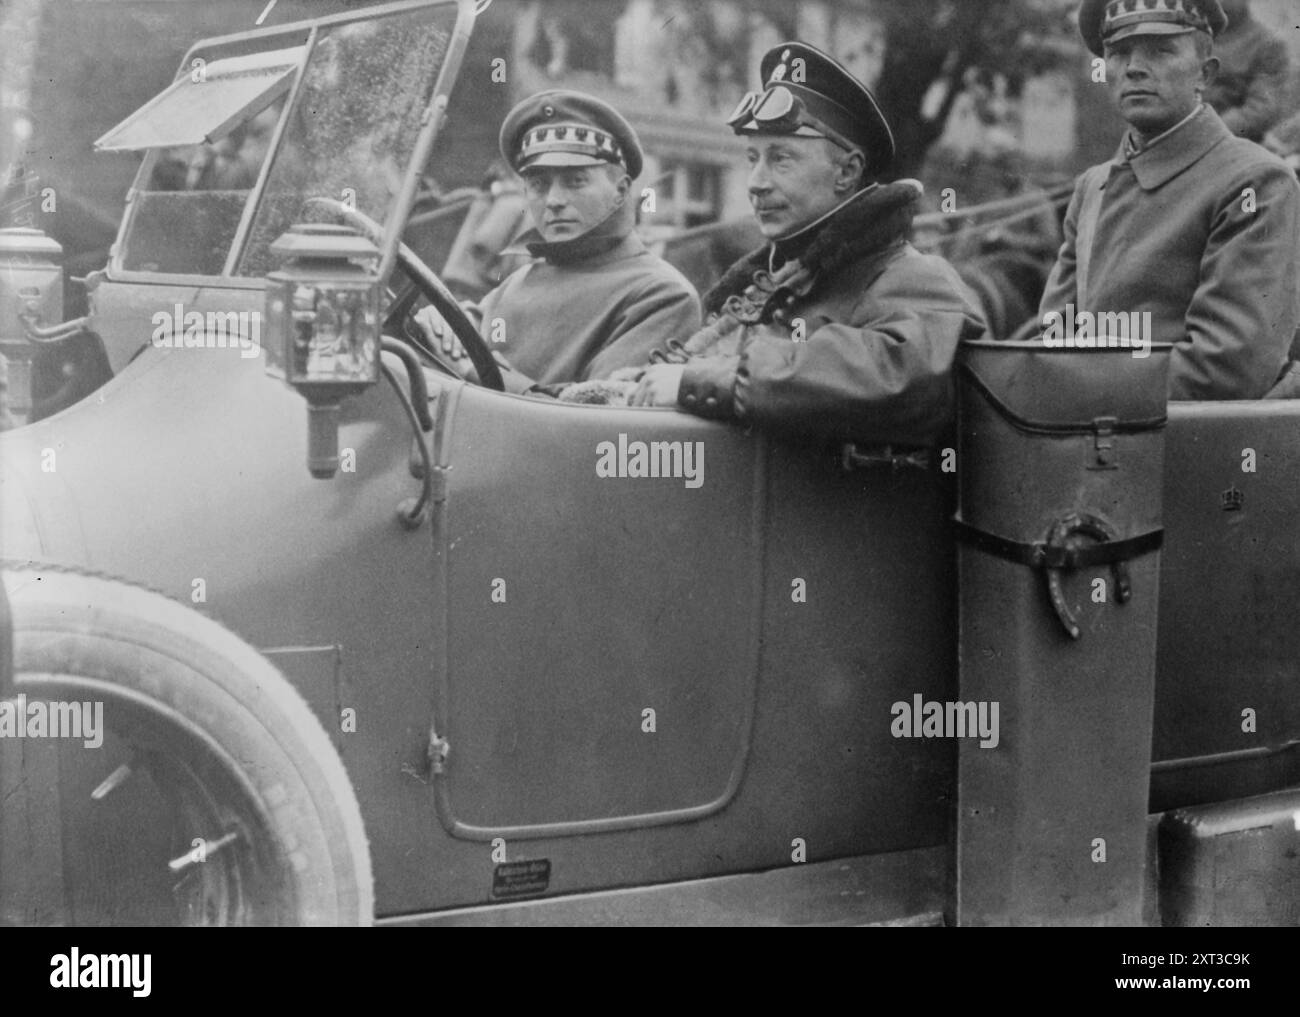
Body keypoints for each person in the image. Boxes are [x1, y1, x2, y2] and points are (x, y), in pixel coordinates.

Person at [628, 42, 985, 446]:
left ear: (847, 172)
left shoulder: (913, 277)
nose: (756, 182)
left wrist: (707, 380)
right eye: (752, 158)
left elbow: (899, 375)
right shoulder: (770, 285)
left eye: (781, 159)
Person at [1039, 0, 1300, 400]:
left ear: (1205, 73)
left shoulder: (1255, 183)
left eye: (1161, 51)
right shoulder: (1091, 188)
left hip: (1191, 448)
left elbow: (1226, 369)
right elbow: (1055, 336)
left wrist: (1082, 392)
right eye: (1119, 53)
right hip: (1095, 441)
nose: (1134, 68)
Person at [416, 91, 700, 391]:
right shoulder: (517, 283)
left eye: (575, 181)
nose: (553, 200)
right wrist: (436, 323)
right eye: (538, 184)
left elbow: (595, 420)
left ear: (621, 190)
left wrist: (482, 373)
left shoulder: (661, 295)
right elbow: (462, 333)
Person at [1201, 0, 1290, 143]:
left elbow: (1261, 109)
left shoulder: (1267, 43)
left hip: (1230, 142)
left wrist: (1206, 132)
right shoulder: (1191, 35)